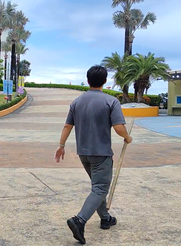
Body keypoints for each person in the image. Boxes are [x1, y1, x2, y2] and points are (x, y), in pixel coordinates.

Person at [54, 65, 132, 244]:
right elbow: (119, 127)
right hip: (101, 153)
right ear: (105, 81)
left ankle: (105, 218)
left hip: (84, 153)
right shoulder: (111, 101)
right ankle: (79, 220)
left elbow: (67, 126)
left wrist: (61, 145)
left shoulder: (77, 102)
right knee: (100, 188)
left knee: (98, 186)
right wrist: (128, 137)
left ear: (88, 81)